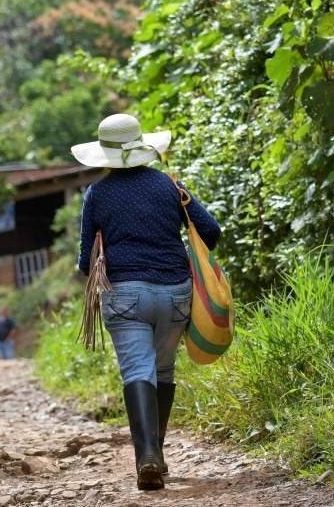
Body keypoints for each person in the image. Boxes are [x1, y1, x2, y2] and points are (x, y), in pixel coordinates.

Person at [71, 113, 221, 491]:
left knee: (138, 370)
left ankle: (147, 457)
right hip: (175, 292)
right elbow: (211, 232)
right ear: (141, 146)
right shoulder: (170, 186)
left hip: (125, 294)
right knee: (164, 369)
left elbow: (84, 259)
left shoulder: (97, 194)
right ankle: (157, 451)